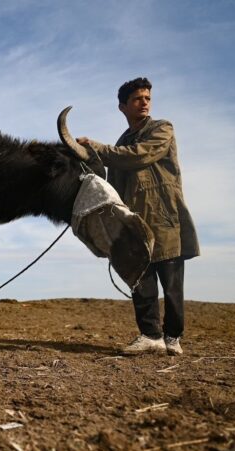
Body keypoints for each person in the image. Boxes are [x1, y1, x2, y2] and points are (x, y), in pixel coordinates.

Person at [77, 77, 199, 356]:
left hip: (165, 217)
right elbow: (116, 177)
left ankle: (173, 337)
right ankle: (150, 335)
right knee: (140, 280)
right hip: (135, 221)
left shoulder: (162, 129)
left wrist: (97, 148)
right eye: (137, 99)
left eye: (147, 98)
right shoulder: (122, 142)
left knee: (171, 285)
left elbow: (138, 156)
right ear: (123, 107)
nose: (144, 103)